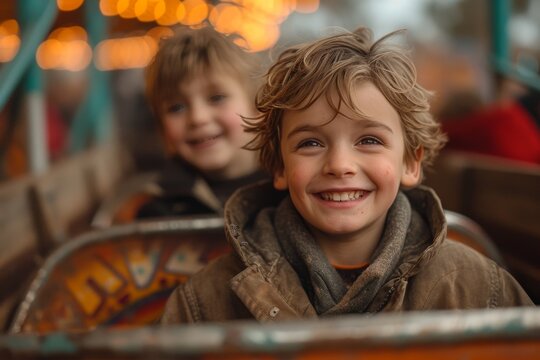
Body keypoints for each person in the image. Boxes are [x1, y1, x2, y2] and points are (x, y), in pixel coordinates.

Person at [160, 27, 533, 324]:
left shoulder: (479, 289)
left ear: (410, 163)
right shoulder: (205, 304)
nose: (340, 164)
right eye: (310, 144)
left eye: (369, 140)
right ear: (278, 167)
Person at [140, 27, 268, 218]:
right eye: (176, 108)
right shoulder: (156, 214)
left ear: (257, 106)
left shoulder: (297, 193)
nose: (198, 118)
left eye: (216, 98)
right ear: (162, 127)